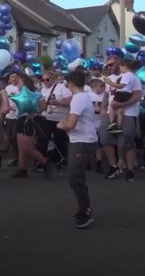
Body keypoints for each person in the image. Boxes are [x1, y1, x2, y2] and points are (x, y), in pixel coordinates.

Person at [56, 71, 98, 229]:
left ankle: (86, 211)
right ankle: (84, 208)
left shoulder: (79, 98)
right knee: (77, 176)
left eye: (67, 83)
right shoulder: (81, 97)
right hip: (79, 140)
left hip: (83, 141)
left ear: (71, 83)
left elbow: (70, 124)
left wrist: (60, 125)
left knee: (75, 177)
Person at [101, 57, 143, 182]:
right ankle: (114, 166)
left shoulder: (132, 77)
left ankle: (129, 170)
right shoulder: (110, 79)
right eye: (106, 65)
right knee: (105, 139)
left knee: (126, 143)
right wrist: (103, 108)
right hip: (110, 114)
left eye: (111, 65)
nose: (108, 67)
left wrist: (122, 105)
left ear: (119, 64)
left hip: (128, 114)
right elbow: (106, 95)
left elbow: (137, 96)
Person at [11, 73, 51, 179]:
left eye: (19, 81)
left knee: (27, 148)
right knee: (21, 147)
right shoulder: (19, 93)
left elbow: (43, 106)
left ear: (24, 83)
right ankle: (22, 169)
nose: (17, 83)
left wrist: (33, 112)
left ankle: (45, 161)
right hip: (19, 119)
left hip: (29, 120)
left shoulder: (35, 93)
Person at [36, 70, 72, 169]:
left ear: (53, 79)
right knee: (43, 138)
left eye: (47, 80)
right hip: (46, 116)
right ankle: (42, 160)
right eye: (43, 80)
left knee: (59, 139)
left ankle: (61, 158)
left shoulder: (61, 87)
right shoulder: (42, 90)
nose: (45, 82)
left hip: (59, 117)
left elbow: (70, 101)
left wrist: (58, 103)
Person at [104, 60, 138, 134]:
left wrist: (110, 83)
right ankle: (119, 126)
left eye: (120, 68)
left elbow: (121, 86)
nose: (120, 69)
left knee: (112, 105)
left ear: (125, 66)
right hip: (128, 94)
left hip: (122, 93)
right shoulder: (133, 75)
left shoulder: (126, 75)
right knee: (120, 110)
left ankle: (111, 123)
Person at [0, 72, 20, 167]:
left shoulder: (21, 88)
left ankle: (17, 157)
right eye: (12, 76)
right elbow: (5, 101)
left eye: (16, 76)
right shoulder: (7, 88)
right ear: (9, 79)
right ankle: (16, 156)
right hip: (9, 116)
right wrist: (3, 111)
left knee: (14, 137)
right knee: (8, 137)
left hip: (18, 116)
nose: (14, 78)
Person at [88, 77, 107, 174]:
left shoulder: (105, 95)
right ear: (93, 87)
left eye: (103, 86)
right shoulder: (88, 95)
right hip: (91, 120)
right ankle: (88, 160)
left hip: (101, 120)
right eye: (101, 86)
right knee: (89, 141)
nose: (103, 88)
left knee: (100, 143)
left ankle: (99, 162)